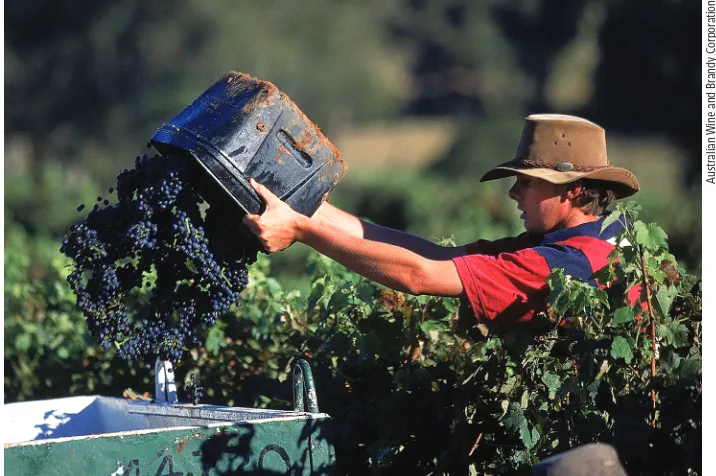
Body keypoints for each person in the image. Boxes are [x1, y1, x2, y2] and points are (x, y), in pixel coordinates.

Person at [241, 114, 640, 325]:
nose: (513, 193)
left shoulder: (562, 265)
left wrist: (303, 231)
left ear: (571, 190)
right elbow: (435, 256)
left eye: (526, 183)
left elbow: (420, 276)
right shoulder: (596, 242)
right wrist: (315, 211)